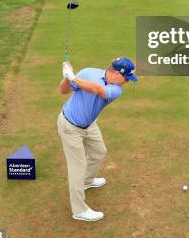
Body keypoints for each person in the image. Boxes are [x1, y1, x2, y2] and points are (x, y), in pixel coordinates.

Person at [57, 57, 137, 222]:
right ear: (115, 73)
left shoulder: (116, 90)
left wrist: (73, 77)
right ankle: (79, 210)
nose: (127, 82)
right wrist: (66, 77)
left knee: (99, 152)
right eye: (126, 78)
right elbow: (64, 91)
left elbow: (97, 90)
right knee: (77, 168)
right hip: (70, 125)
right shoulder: (88, 72)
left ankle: (87, 181)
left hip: (89, 124)